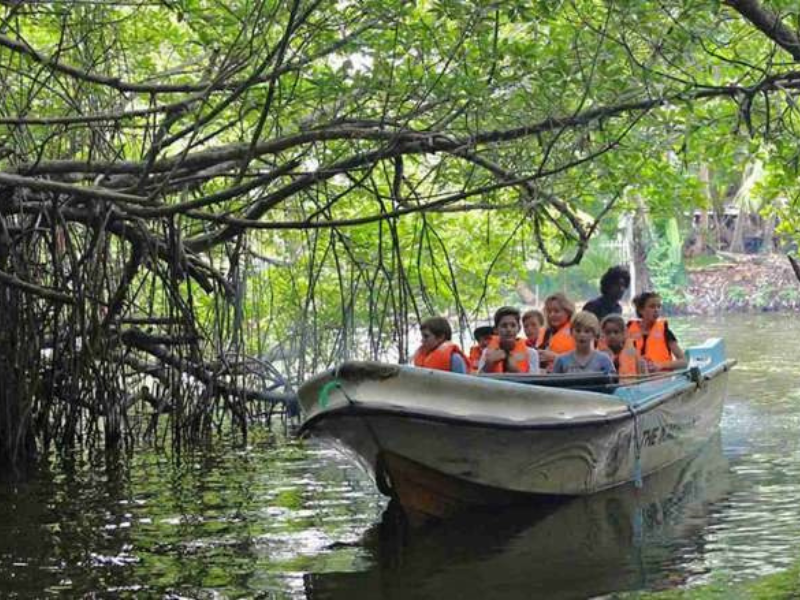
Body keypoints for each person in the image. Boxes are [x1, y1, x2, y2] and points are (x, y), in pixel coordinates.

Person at [628, 292, 688, 372]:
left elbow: (684, 362)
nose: (656, 310)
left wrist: (660, 365)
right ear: (641, 310)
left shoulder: (665, 331)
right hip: (634, 379)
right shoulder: (627, 330)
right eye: (652, 307)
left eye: (659, 306)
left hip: (660, 379)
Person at [479, 306, 539, 373]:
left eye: (513, 325)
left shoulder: (532, 354)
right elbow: (477, 381)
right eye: (504, 326)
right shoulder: (486, 353)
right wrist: (489, 363)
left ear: (519, 328)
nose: (509, 329)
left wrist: (515, 370)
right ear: (496, 330)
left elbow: (534, 382)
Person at [538, 292, 576, 369]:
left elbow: (584, 362)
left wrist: (555, 357)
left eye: (556, 311)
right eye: (549, 311)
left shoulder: (578, 332)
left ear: (568, 312)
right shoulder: (544, 333)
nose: (552, 315)